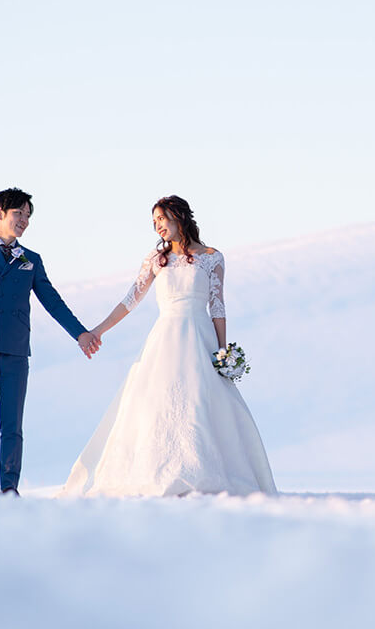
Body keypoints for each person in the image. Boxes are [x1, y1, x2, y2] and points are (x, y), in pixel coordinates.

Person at [60, 195, 277, 497]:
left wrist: (223, 351)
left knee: (201, 402)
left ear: (179, 216)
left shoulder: (212, 256)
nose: (158, 226)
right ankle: (158, 472)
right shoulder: (155, 259)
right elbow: (130, 300)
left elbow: (217, 305)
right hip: (165, 338)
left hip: (199, 337)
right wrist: (97, 330)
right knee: (156, 403)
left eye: (161, 218)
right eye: (154, 222)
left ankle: (204, 472)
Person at [0, 187, 100, 496]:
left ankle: (9, 488)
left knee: (13, 427)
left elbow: (53, 302)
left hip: (17, 354)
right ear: (0, 214)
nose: (25, 221)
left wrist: (81, 333)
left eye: (28, 216)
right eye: (19, 213)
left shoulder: (31, 260)